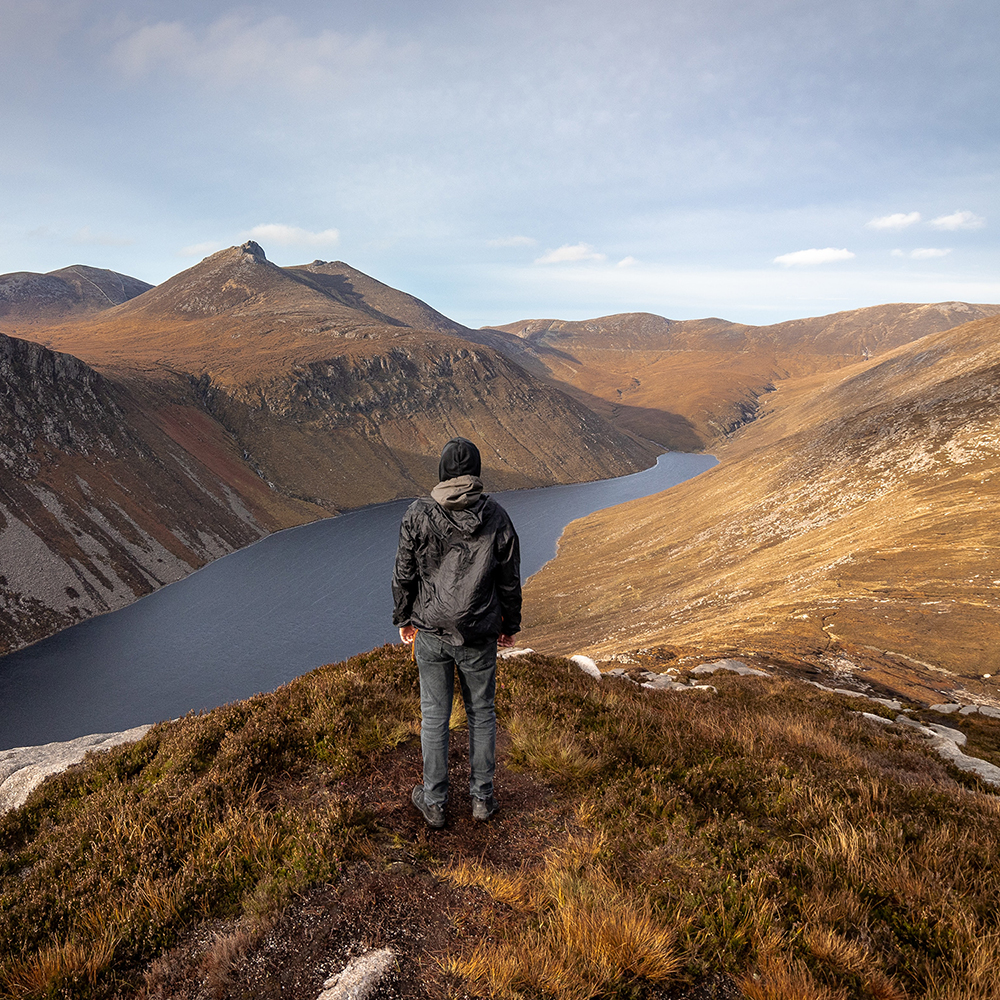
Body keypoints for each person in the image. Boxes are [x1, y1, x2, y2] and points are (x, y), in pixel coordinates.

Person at [392, 437, 521, 829]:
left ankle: (434, 802)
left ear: (443, 473)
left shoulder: (418, 514)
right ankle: (481, 799)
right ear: (476, 473)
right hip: (479, 634)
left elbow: (403, 572)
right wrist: (509, 626)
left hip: (431, 631)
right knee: (481, 714)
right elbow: (509, 580)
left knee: (434, 714)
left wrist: (405, 619)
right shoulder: (496, 516)